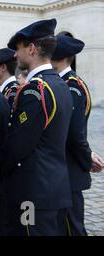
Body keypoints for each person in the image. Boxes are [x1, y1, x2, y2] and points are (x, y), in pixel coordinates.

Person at [1, 19, 73, 236]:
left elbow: (18, 146)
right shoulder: (59, 84)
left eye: (18, 49)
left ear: (31, 49)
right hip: (53, 186)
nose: (15, 56)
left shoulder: (35, 90)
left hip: (32, 192)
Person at [51, 34, 104, 235]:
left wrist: (86, 158)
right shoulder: (63, 82)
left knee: (72, 227)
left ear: (60, 56)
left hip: (69, 168)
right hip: (63, 167)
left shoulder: (72, 86)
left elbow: (74, 133)